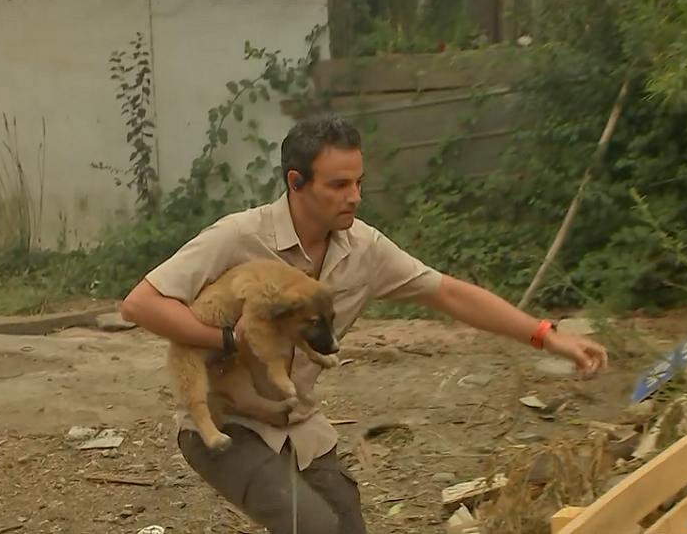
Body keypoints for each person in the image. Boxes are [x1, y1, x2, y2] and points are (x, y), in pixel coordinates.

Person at [120, 114, 609, 534]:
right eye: (338, 185)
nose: (354, 197)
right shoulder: (237, 237)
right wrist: (227, 338)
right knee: (312, 527)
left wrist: (546, 336)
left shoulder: (364, 249)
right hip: (226, 421)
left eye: (358, 183)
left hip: (300, 425)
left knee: (345, 526)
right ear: (296, 183)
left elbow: (451, 294)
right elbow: (141, 304)